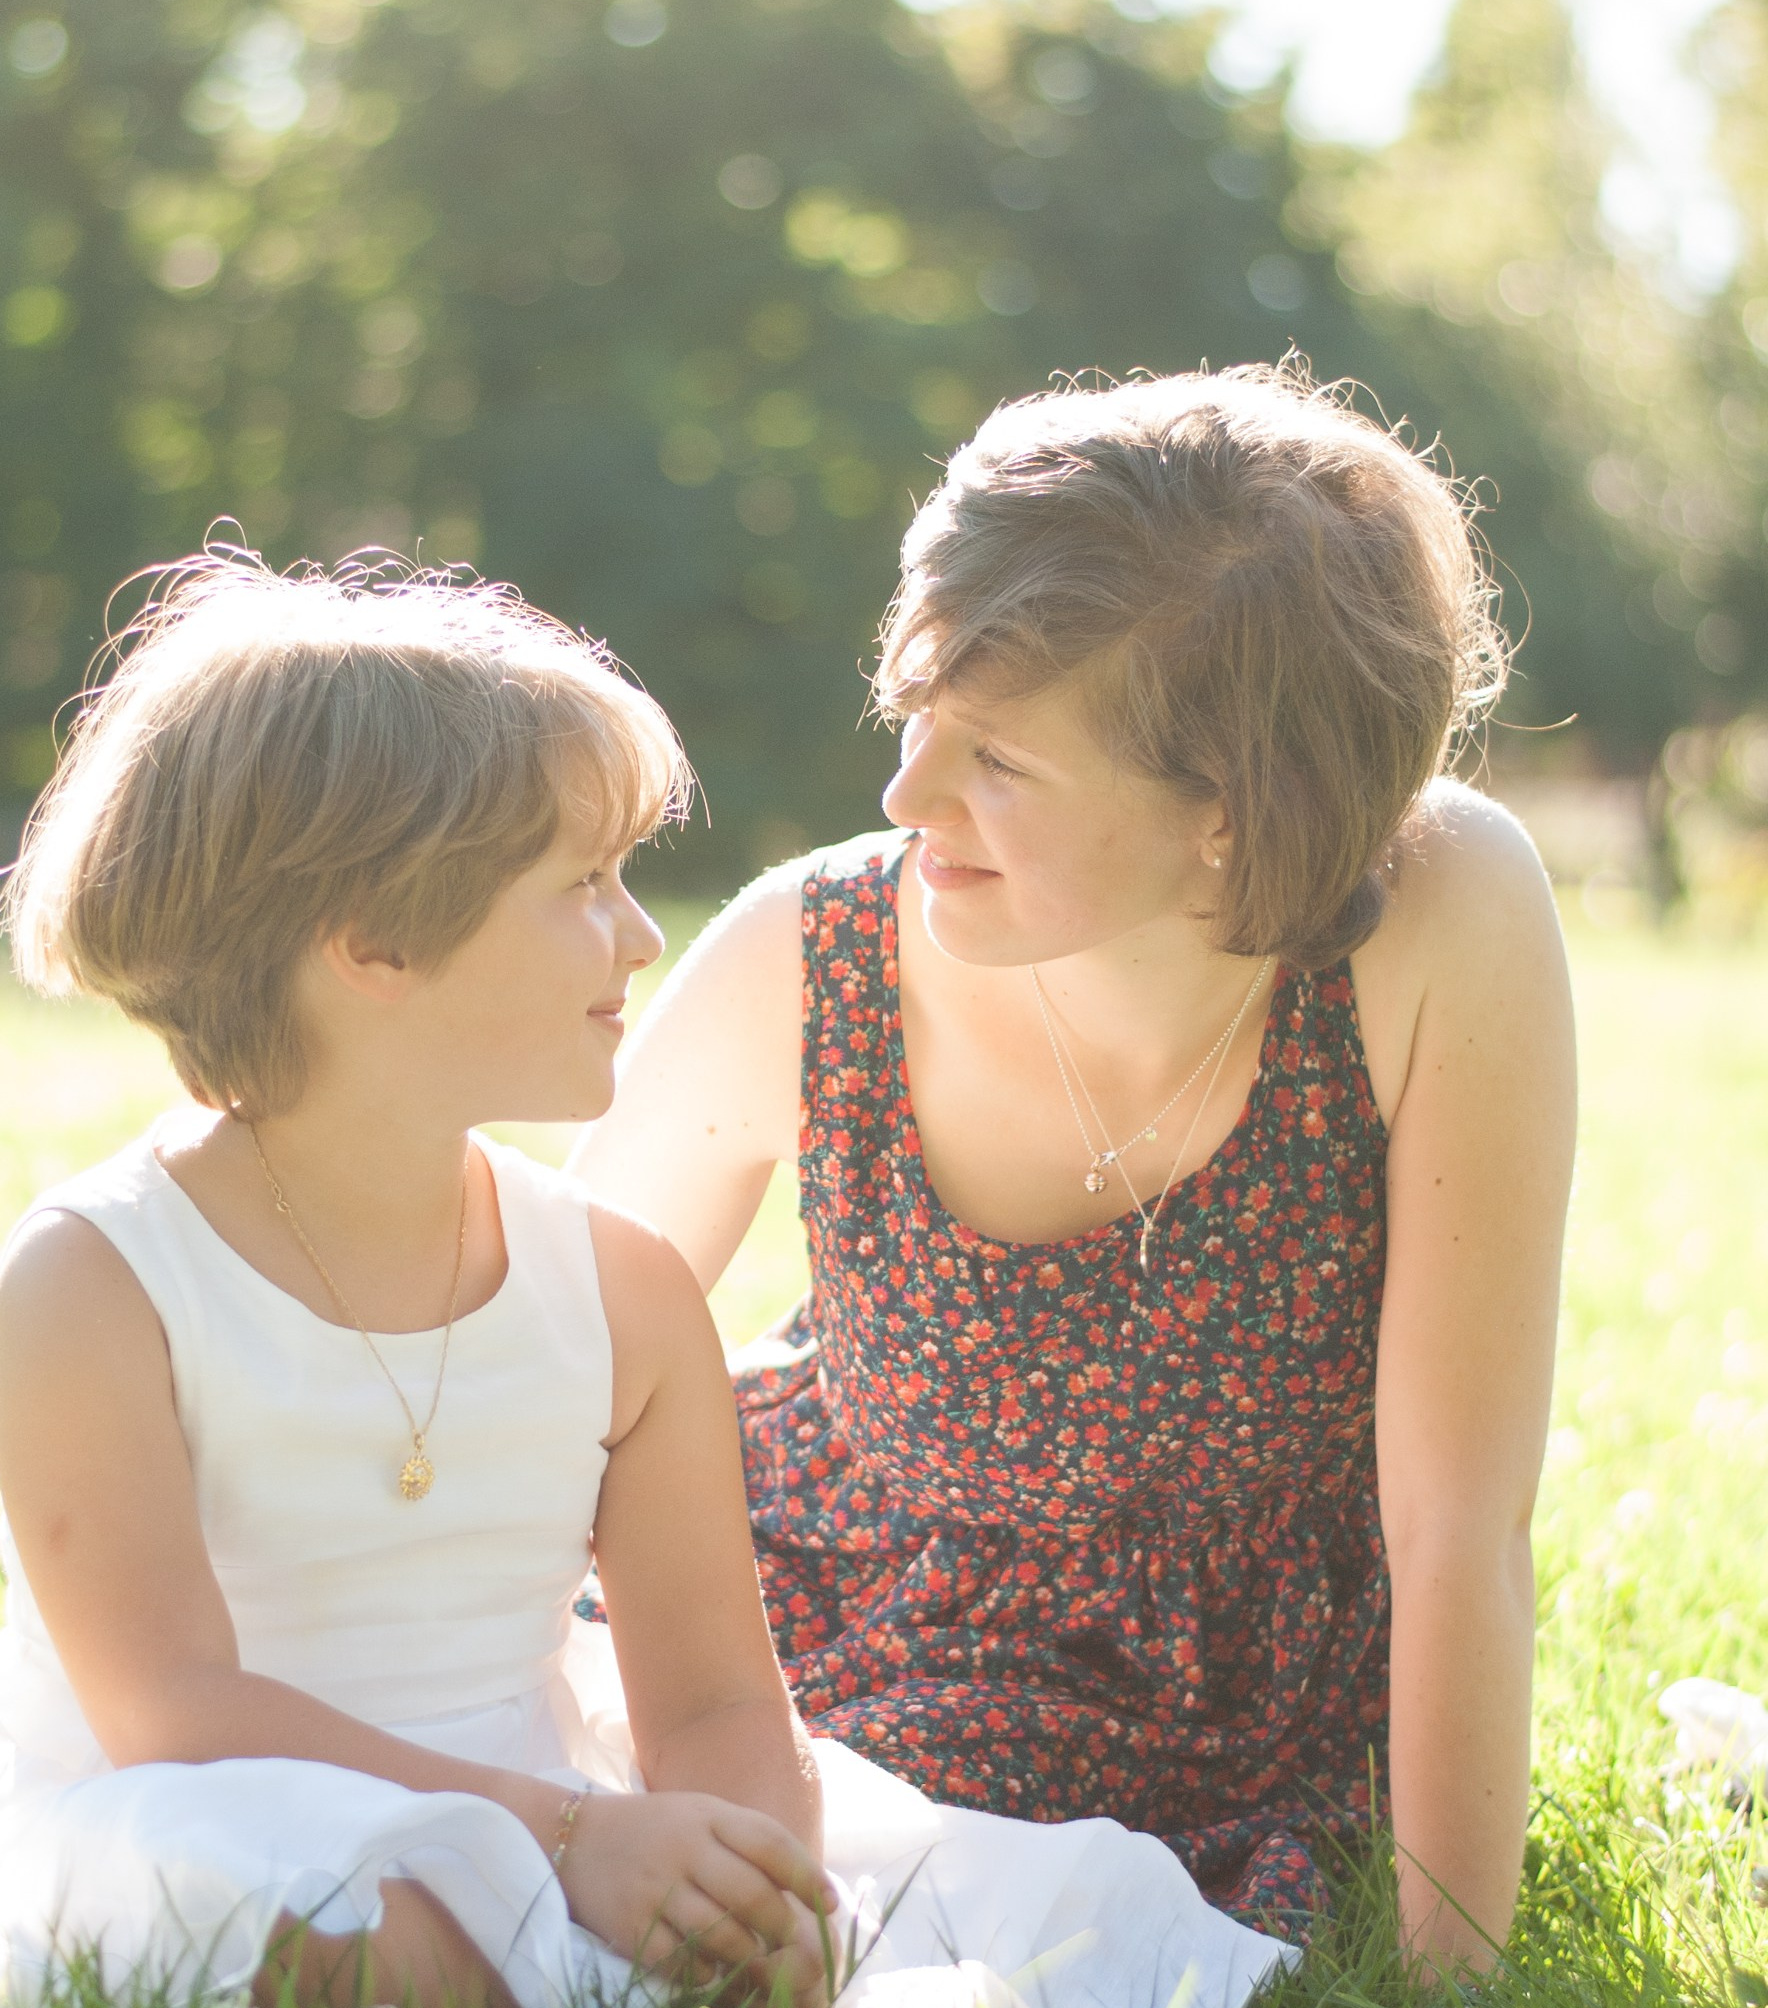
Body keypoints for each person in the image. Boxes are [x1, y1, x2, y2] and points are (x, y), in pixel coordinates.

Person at [0, 554, 1292, 2008]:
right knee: (334, 1927)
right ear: (375, 939)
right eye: (584, 884)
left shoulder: (621, 1293)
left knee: (928, 1916)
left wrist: (740, 1872)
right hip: (199, 1801)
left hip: (542, 1794)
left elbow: (714, 1702)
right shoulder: (101, 1280)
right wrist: (565, 1840)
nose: (641, 936)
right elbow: (174, 1717)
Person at [571, 362, 1576, 1974]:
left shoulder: (1438, 910)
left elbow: (1459, 1514)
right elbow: (541, 1369)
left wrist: (1451, 1974)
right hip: (845, 1633)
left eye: (1000, 760)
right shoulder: (812, 956)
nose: (904, 794)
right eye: (919, 714)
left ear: (1233, 809)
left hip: (1260, 1702)